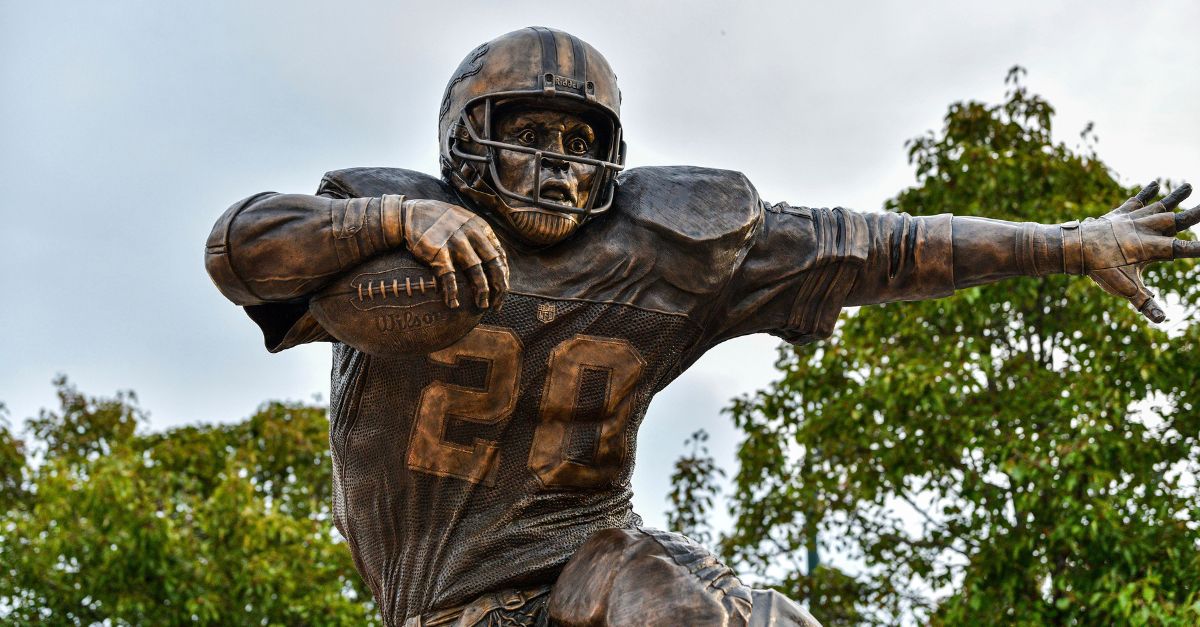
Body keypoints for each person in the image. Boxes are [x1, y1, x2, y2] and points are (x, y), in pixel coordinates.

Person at [205, 27, 1198, 627]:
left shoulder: (664, 246)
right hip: (445, 601)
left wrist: (1069, 243)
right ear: (467, 141)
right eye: (529, 136)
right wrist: (393, 220)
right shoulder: (397, 244)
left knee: (710, 611)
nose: (556, 165)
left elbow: (882, 248)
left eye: (576, 142)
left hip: (590, 558)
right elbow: (238, 246)